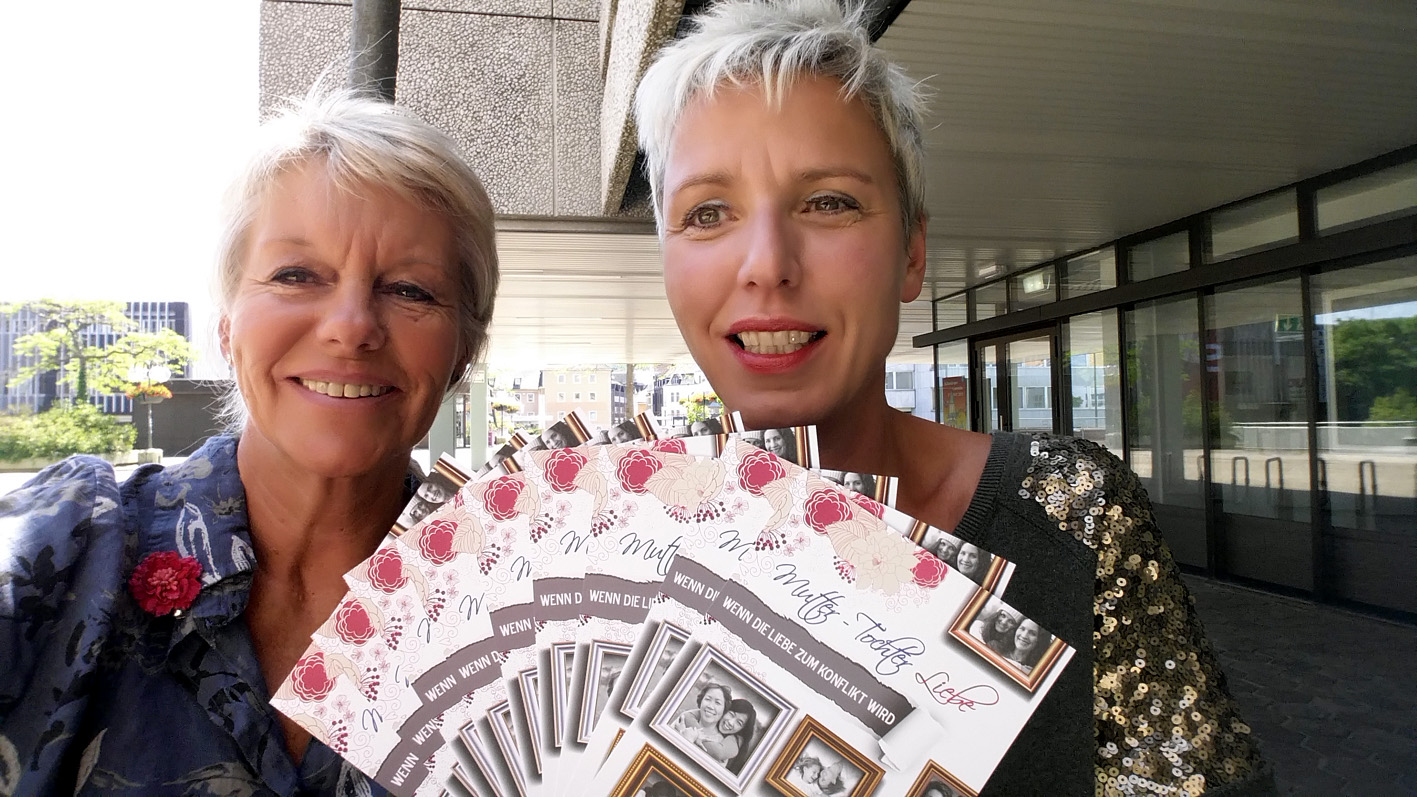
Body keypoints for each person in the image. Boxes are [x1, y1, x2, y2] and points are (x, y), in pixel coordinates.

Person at [634, 0, 1272, 793]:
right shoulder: (586, 542)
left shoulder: (1070, 512)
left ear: (912, 252)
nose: (766, 263)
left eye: (828, 201)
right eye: (706, 212)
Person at [0, 87, 497, 794]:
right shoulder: (71, 546)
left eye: (410, 289)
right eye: (296, 275)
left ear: (464, 351)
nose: (352, 325)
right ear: (227, 325)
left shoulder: (521, 606)